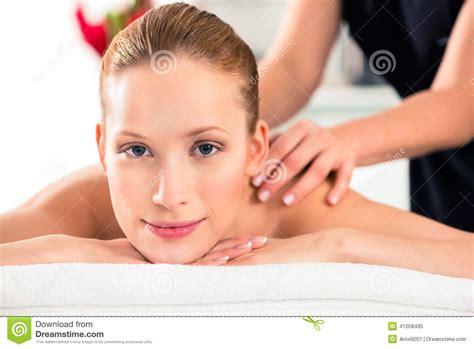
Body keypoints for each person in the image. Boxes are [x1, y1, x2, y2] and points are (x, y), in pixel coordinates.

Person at [1, 3, 472, 279]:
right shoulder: (86, 202)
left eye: (205, 149)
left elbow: (463, 98)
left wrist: (335, 246)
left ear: (256, 151)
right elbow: (291, 68)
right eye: (137, 148)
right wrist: (63, 250)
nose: (169, 197)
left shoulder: (299, 205)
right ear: (103, 150)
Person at [253, 0, 473, 231]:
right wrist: (225, 108)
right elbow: (293, 69)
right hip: (437, 171)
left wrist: (332, 144)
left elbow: (462, 98)